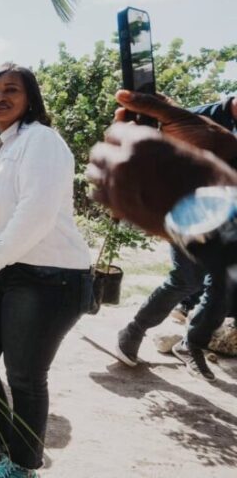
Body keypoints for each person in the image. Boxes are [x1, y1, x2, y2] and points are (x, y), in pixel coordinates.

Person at [0, 63, 92, 477]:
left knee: (24, 377)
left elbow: (35, 215)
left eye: (12, 90)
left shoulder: (41, 140)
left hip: (48, 275)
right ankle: (1, 440)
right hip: (3, 271)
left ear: (30, 100)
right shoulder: (1, 149)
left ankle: (23, 465)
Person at [99, 91, 237, 381]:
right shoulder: (200, 117)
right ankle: (133, 331)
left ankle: (191, 345)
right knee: (185, 279)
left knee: (224, 283)